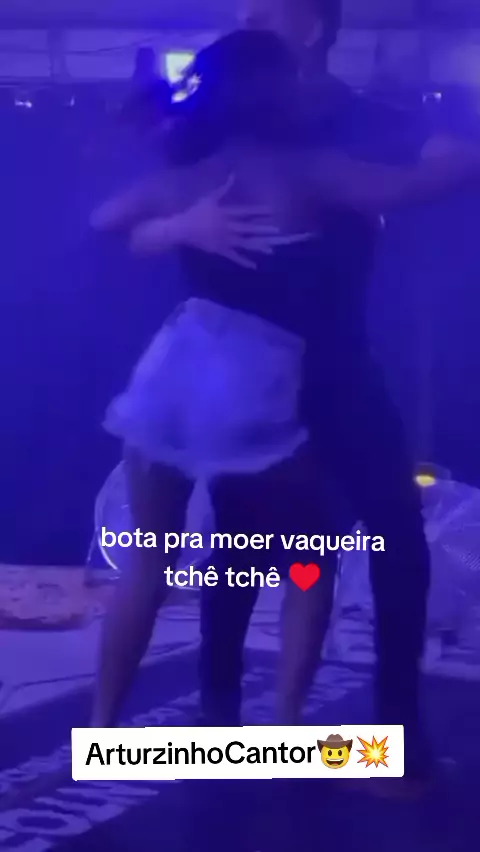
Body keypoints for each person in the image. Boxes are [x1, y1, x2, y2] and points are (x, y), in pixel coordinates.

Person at [89, 28, 480, 770]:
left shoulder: (191, 173)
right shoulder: (308, 168)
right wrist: (463, 139)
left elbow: (105, 221)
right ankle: (287, 730)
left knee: (151, 563)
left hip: (172, 379)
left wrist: (177, 223)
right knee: (308, 557)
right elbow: (412, 187)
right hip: (253, 389)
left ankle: (105, 732)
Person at [195, 0, 474, 788]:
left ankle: (399, 725)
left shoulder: (357, 117)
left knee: (395, 528)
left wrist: (384, 181)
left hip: (335, 355)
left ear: (311, 27)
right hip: (247, 358)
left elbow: (451, 157)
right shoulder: (229, 105)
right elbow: (138, 202)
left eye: (264, 12)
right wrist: (185, 223)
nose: (246, 21)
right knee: (240, 534)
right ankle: (218, 717)